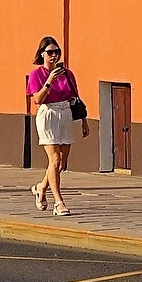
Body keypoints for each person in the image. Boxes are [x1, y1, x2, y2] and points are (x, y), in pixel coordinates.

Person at [26, 37, 84, 217]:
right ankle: (59, 203)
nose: (54, 55)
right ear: (42, 54)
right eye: (50, 52)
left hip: (65, 113)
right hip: (48, 114)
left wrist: (84, 121)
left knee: (61, 164)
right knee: (55, 159)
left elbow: (75, 97)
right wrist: (49, 80)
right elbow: (37, 99)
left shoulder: (67, 73)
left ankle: (41, 187)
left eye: (56, 52)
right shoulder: (37, 75)